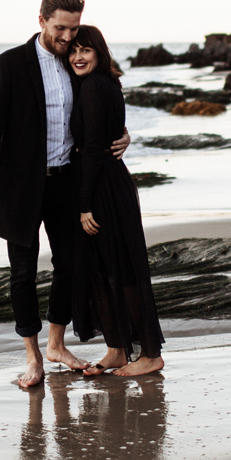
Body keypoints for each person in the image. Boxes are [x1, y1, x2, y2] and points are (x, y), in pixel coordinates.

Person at [0, 0, 130, 389]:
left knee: (72, 266)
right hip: (19, 188)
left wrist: (123, 132)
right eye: (60, 27)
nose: (67, 37)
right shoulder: (8, 66)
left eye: (73, 28)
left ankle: (57, 344)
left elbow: (103, 103)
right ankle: (33, 357)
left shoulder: (77, 63)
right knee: (23, 272)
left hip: (66, 182)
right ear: (41, 20)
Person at [67, 25, 165, 376]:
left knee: (122, 270)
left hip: (103, 189)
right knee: (103, 270)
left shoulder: (94, 86)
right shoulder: (103, 83)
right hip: (107, 182)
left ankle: (150, 354)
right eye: (73, 51)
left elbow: (93, 148)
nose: (78, 56)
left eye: (86, 51)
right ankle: (117, 349)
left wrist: (84, 204)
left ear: (99, 53)